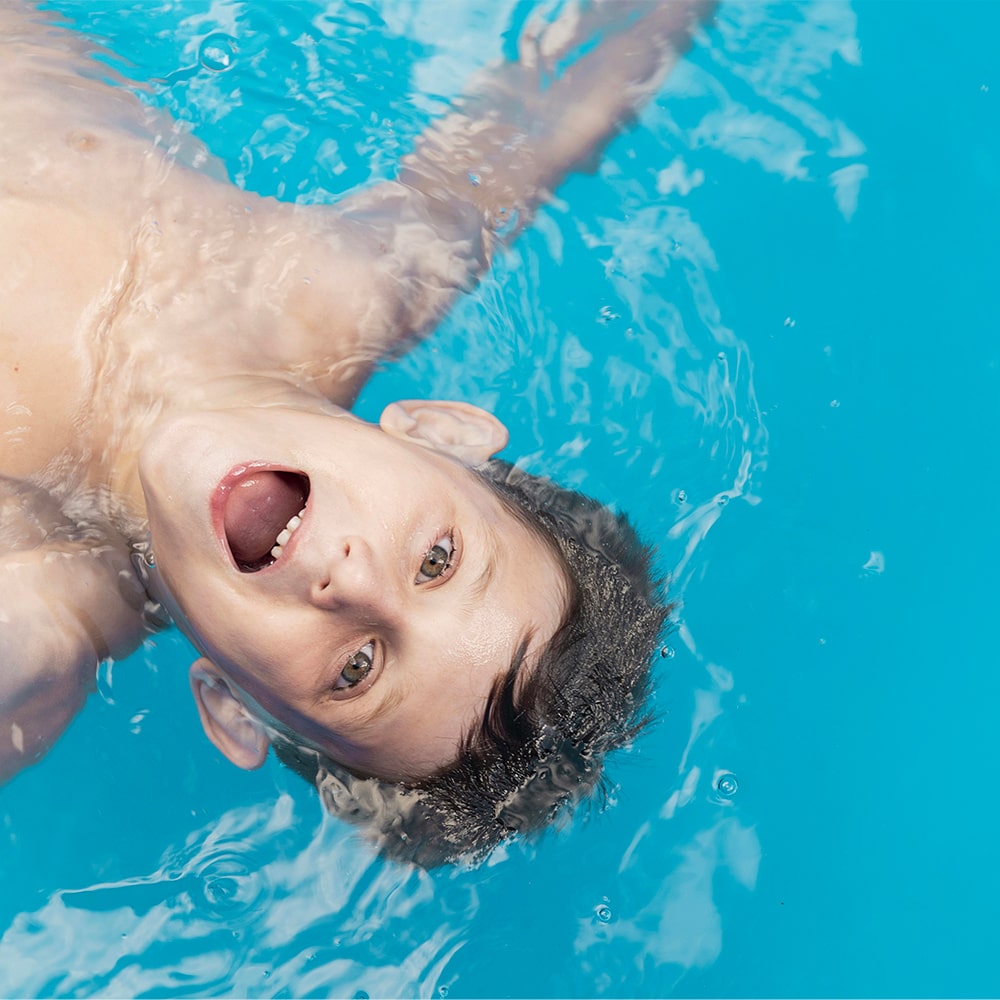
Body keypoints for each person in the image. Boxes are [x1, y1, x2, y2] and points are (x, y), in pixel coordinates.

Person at [0, 0, 712, 863]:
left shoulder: (42, 601)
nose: (357, 585)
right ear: (438, 434)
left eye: (356, 671)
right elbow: (563, 93)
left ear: (231, 701)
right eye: (438, 560)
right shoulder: (339, 291)